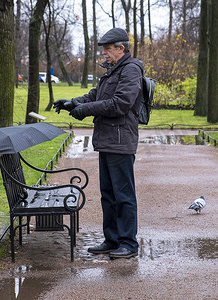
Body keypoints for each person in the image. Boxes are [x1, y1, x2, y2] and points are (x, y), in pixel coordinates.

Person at [54, 28, 143, 259]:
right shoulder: (113, 70)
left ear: (121, 49)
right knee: (108, 194)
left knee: (123, 195)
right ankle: (112, 240)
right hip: (108, 140)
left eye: (107, 49)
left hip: (121, 141)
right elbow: (96, 95)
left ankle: (128, 244)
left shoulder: (131, 70)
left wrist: (85, 110)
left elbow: (120, 103)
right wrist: (72, 103)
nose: (104, 53)